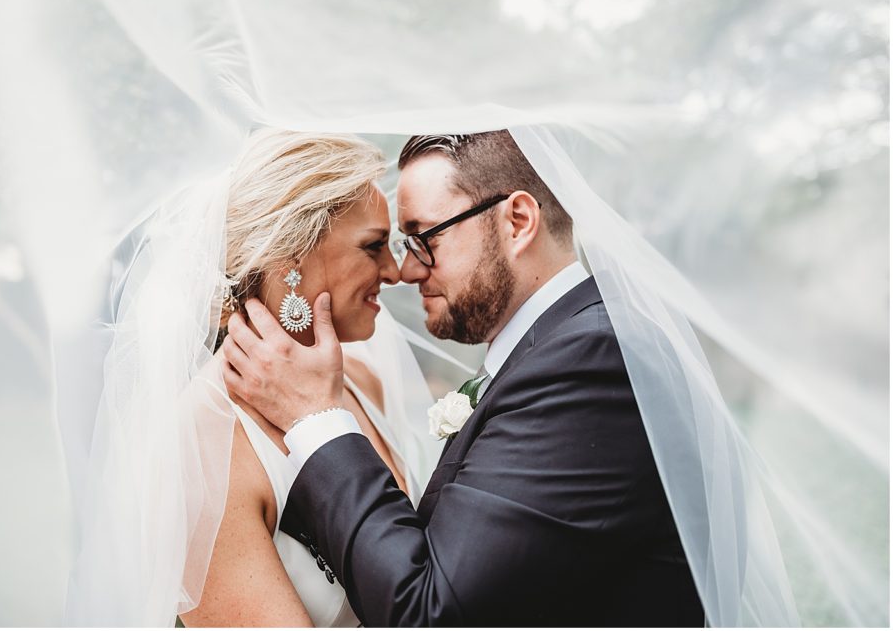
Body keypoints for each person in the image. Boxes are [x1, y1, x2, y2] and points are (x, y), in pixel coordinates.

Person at [221, 130, 707, 626]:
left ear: (517, 221)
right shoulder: (564, 347)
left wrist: (315, 419)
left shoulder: (589, 360)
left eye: (424, 238)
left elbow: (432, 611)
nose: (406, 271)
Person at [66, 129, 437, 627]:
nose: (395, 272)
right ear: (290, 264)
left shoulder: (361, 382)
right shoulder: (200, 447)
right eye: (372, 247)